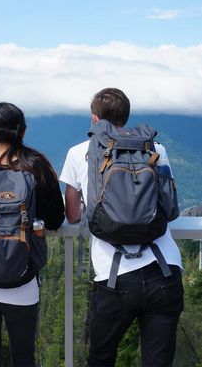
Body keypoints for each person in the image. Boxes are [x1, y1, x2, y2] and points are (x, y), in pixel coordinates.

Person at [60, 88, 184, 367]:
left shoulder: (78, 152)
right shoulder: (155, 149)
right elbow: (169, 208)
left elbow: (72, 214)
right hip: (164, 269)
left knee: (101, 357)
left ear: (94, 119)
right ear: (126, 117)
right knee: (158, 361)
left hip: (113, 277)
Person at [0, 102, 65, 367]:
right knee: (24, 359)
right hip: (23, 282)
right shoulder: (37, 168)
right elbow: (55, 219)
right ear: (23, 132)